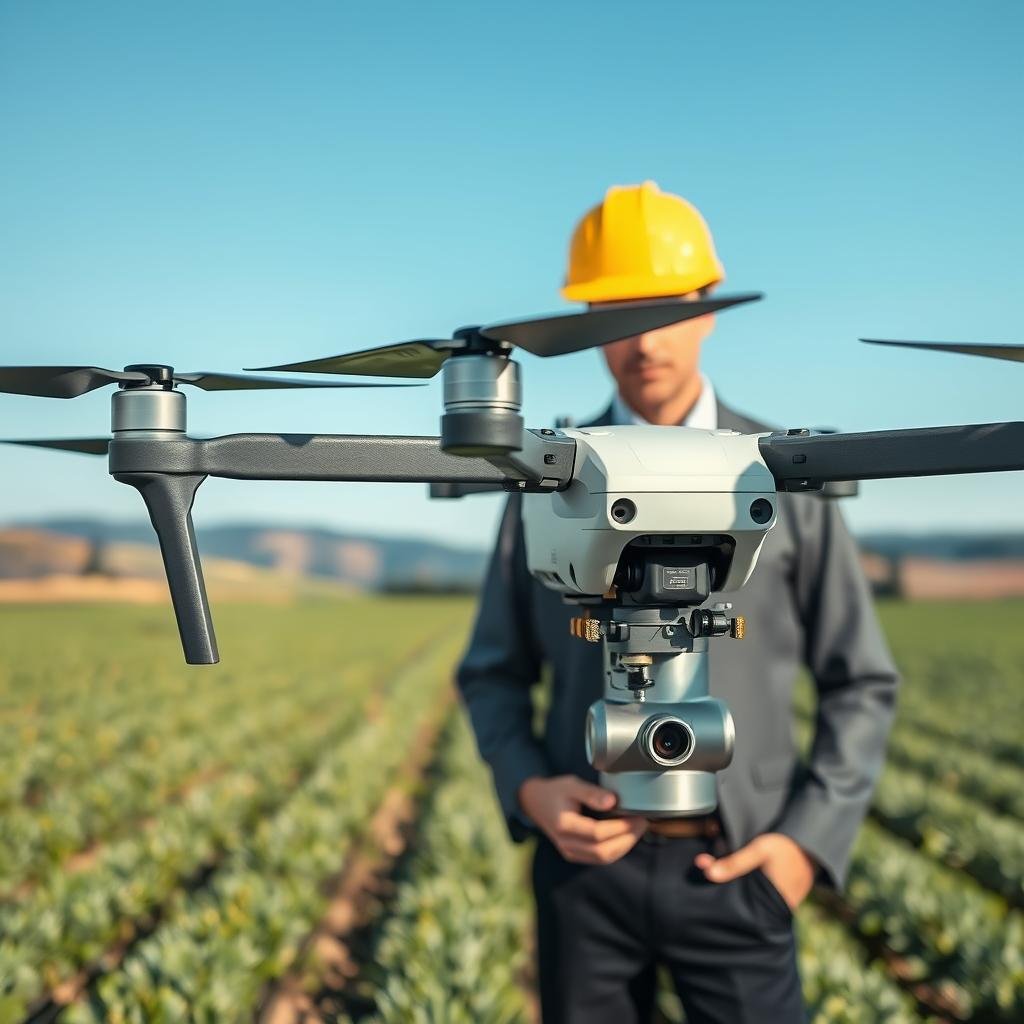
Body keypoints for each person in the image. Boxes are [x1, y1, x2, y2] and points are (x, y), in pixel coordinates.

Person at [456, 180, 899, 1023]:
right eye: (614, 312)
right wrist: (530, 793)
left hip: (741, 871)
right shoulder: (546, 480)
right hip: (584, 873)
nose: (641, 338)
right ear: (583, 321)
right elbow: (491, 671)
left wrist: (804, 849)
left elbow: (862, 682)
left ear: (708, 308)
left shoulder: (787, 474)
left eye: (662, 307)